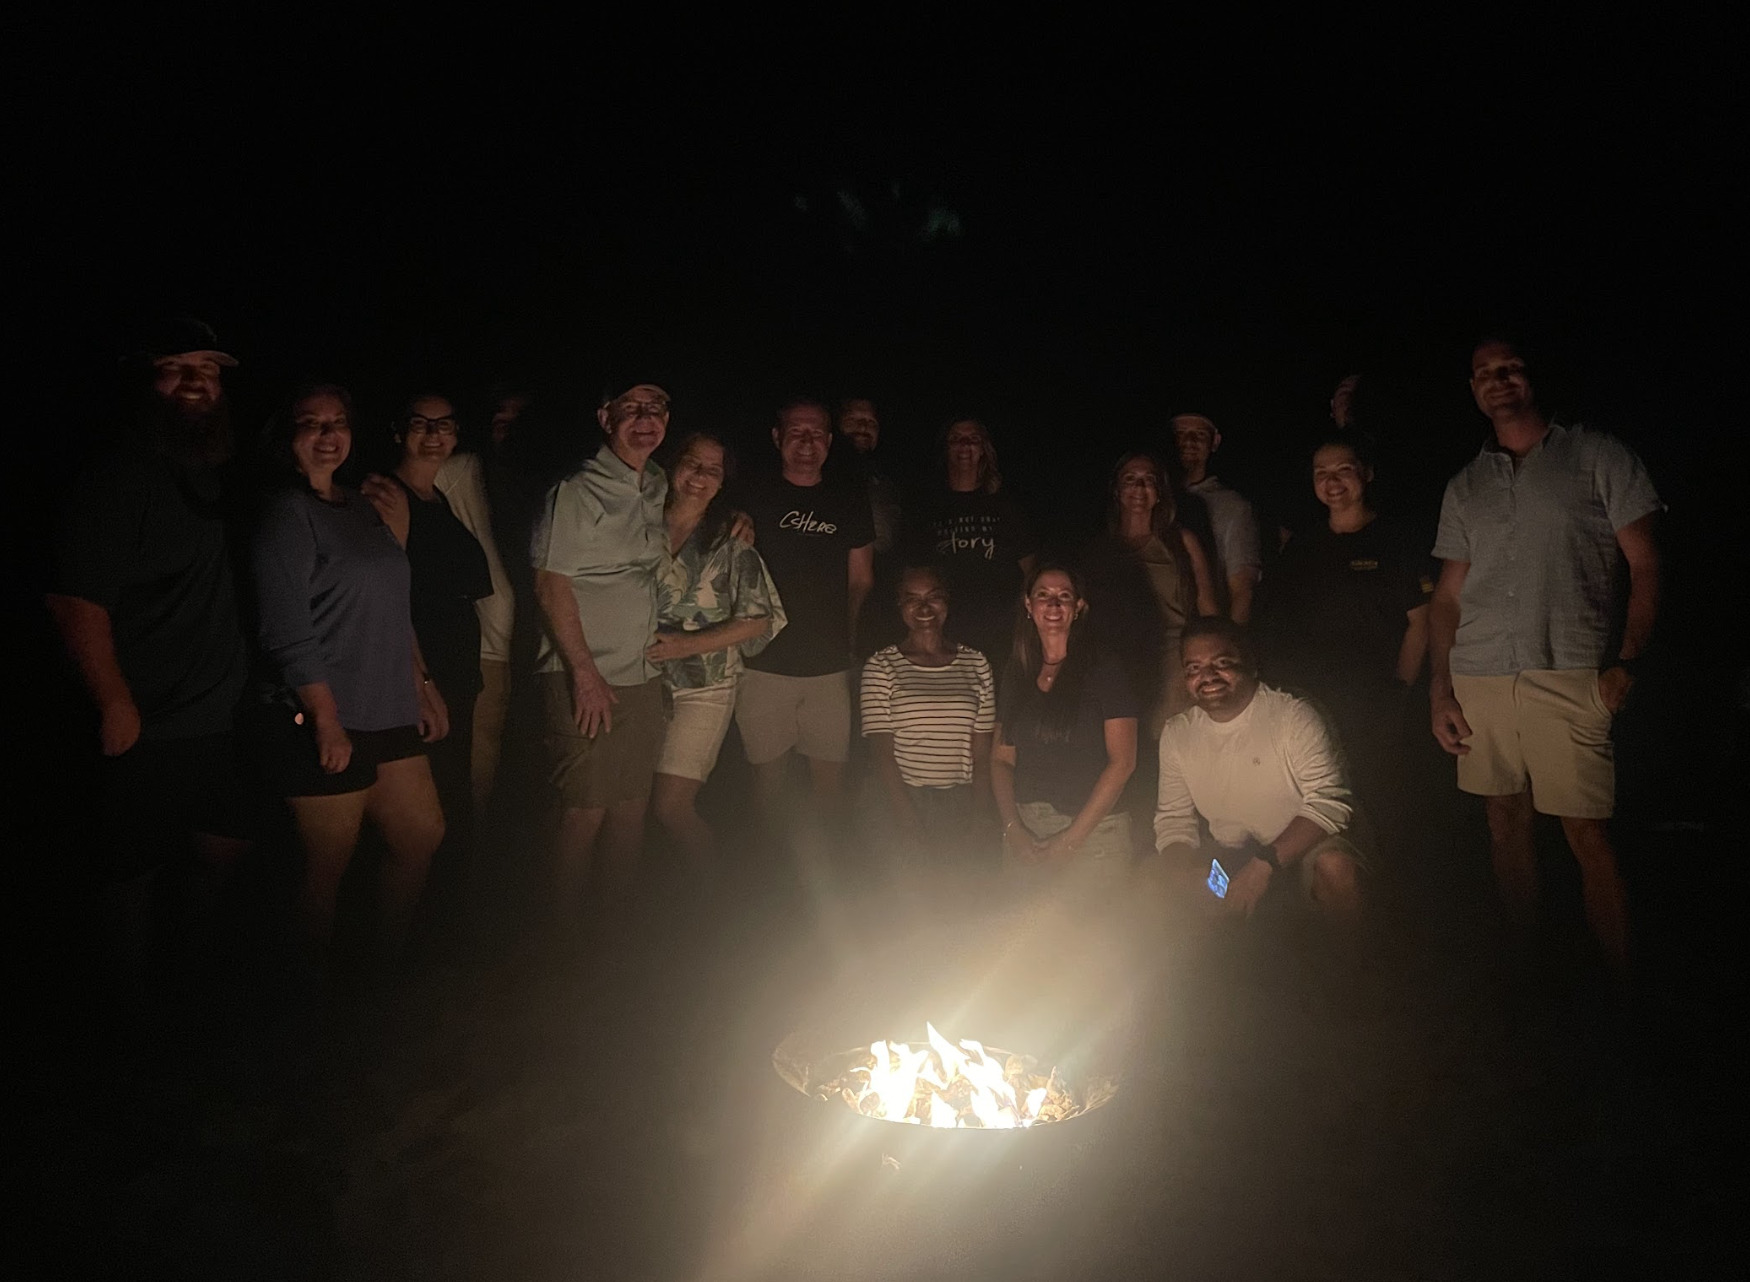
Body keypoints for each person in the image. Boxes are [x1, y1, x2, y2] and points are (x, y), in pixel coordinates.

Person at [1429, 337, 1661, 976]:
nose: (1496, 382)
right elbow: (1448, 597)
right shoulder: (1466, 483)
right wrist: (1440, 689)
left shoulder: (1595, 454)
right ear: (1473, 390)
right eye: (1482, 374)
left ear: (1533, 378)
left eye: (1509, 369)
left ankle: (1621, 982)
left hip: (1569, 669)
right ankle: (1524, 968)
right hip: (1480, 675)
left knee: (1587, 832)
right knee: (1505, 821)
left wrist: (1629, 659)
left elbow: (1645, 563)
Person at [46, 318, 255, 1006]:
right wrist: (113, 702)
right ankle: (127, 1008)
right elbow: (75, 598)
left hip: (215, 716)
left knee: (221, 848)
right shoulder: (117, 473)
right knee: (129, 873)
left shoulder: (215, 474)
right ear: (146, 382)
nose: (197, 380)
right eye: (177, 366)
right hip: (146, 715)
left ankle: (188, 978)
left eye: (210, 368)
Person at [251, 384, 448, 963]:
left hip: (386, 707)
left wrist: (421, 683)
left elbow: (393, 606)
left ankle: (380, 968)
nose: (327, 435)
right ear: (287, 435)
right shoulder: (286, 512)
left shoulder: (363, 507)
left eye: (338, 422)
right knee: (326, 866)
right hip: (324, 711)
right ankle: (307, 1002)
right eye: (311, 423)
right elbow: (284, 627)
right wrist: (327, 719)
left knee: (421, 835)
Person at [531, 380, 671, 915]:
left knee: (631, 807)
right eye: (631, 408)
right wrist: (585, 674)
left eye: (655, 408)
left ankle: (614, 930)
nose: (645, 418)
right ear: (604, 416)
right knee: (583, 811)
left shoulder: (656, 482)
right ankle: (561, 934)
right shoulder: (577, 489)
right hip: (584, 675)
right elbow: (551, 584)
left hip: (642, 672)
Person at [1256, 432, 1432, 817]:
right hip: (1314, 698)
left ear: (1365, 474)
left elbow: (1421, 622)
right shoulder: (1304, 545)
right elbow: (1281, 619)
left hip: (1375, 695)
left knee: (1378, 797)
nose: (1332, 483)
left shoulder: (1396, 540)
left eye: (1343, 470)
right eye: (1322, 473)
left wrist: (1398, 690)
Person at [1152, 617, 1364, 922]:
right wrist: (1184, 868)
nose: (1207, 676)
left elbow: (1330, 803)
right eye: (1193, 669)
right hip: (1230, 851)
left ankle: (1352, 963)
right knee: (1156, 878)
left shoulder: (1293, 714)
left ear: (1250, 663)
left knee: (1335, 867)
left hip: (1306, 846)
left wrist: (1262, 865)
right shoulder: (1177, 733)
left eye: (1221, 662)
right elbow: (1173, 820)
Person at [733, 400, 876, 844]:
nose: (807, 443)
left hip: (828, 667)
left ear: (830, 443)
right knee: (767, 787)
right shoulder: (749, 498)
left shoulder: (848, 501)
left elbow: (861, 579)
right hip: (762, 666)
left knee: (829, 788)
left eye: (816, 434)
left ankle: (827, 879)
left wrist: (846, 641)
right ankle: (765, 875)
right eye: (796, 432)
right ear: (777, 438)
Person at [648, 431, 786, 872]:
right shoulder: (638, 524)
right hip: (635, 680)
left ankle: (718, 892)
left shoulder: (730, 541)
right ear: (672, 465)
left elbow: (759, 619)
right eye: (693, 463)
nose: (700, 476)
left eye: (713, 469)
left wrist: (685, 645)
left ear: (724, 481)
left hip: (704, 686)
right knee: (625, 802)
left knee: (672, 807)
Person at [992, 564, 1138, 900]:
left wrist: (1071, 840)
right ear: (1028, 605)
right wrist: (1013, 831)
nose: (1053, 605)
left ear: (1079, 607)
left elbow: (1123, 762)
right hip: (1026, 829)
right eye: (1043, 595)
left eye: (1064, 596)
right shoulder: (1017, 671)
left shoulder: (1105, 669)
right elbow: (1001, 758)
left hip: (1096, 833)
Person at [391, 394, 494, 843]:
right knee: (424, 818)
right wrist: (422, 683)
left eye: (444, 425)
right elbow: (390, 599)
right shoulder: (386, 497)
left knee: (454, 801)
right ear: (399, 432)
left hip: (456, 673)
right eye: (421, 424)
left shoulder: (436, 496)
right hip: (423, 678)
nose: (433, 435)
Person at [859, 565, 996, 865]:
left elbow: (983, 753)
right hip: (903, 799)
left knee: (962, 896)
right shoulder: (881, 667)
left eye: (933, 597)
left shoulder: (976, 663)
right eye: (912, 598)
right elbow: (882, 754)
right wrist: (908, 823)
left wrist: (981, 813)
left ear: (946, 601)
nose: (924, 607)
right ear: (900, 606)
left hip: (960, 800)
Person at [1080, 451, 1218, 739]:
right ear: (1117, 492)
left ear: (1159, 492)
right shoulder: (1098, 550)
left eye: (1148, 480)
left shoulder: (1181, 542)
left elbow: (1208, 608)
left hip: (1173, 664)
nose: (1139, 488)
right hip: (1117, 666)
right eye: (1130, 480)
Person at [913, 418, 1037, 671]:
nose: (965, 445)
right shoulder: (927, 505)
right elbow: (915, 574)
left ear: (984, 449)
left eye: (973, 439)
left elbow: (1031, 572)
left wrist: (1026, 628)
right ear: (946, 448)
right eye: (957, 439)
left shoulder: (1006, 505)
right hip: (943, 633)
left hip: (1000, 632)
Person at [1171, 413, 1263, 623]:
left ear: (1215, 442)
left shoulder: (1232, 506)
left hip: (1204, 631)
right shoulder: (1151, 499)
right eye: (1180, 434)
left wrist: (1231, 643)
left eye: (1199, 434)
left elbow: (1242, 590)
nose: (1189, 441)